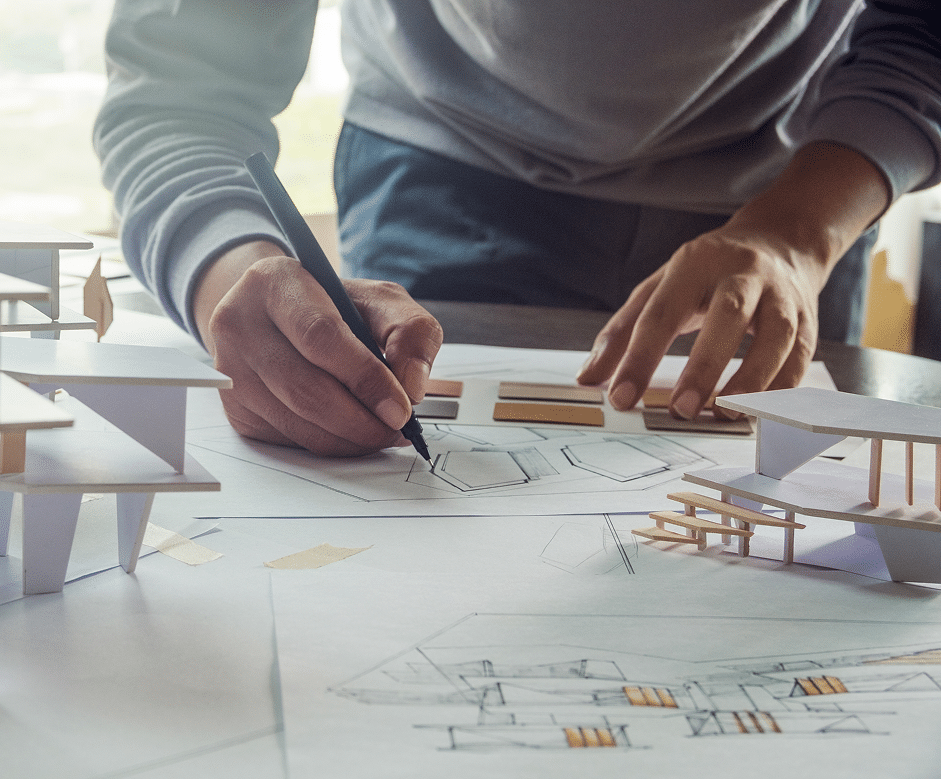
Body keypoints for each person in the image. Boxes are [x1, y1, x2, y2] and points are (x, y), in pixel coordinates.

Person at [94, 1, 941, 457]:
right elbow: (180, 95)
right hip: (440, 168)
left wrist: (798, 233)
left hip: (797, 186)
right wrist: (226, 272)